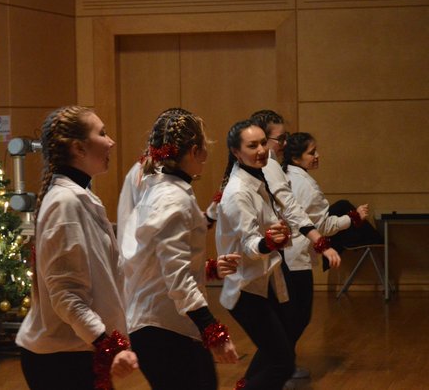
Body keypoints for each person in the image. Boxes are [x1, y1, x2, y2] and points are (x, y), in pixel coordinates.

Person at [15, 106, 138, 390]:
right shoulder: (65, 202)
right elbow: (66, 295)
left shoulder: (79, 195)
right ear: (79, 148)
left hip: (76, 351)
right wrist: (109, 346)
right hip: (61, 359)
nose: (111, 142)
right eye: (102, 133)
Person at [124, 109, 239, 390]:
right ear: (194, 151)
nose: (206, 157)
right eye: (204, 149)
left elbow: (157, 257)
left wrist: (207, 268)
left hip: (161, 324)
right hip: (161, 327)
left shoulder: (161, 187)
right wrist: (214, 331)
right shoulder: (171, 198)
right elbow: (175, 276)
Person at [249, 110, 340, 383]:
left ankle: (274, 370)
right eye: (281, 138)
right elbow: (292, 209)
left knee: (286, 321)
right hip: (266, 255)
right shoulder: (268, 166)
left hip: (272, 252)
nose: (285, 144)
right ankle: (273, 371)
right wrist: (320, 241)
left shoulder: (271, 166)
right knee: (284, 322)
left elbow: (289, 209)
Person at [216, 119, 294, 390]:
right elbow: (251, 244)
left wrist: (278, 236)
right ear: (236, 152)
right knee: (282, 363)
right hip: (246, 289)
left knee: (276, 357)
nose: (262, 150)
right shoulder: (238, 191)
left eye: (263, 143)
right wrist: (270, 242)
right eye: (252, 145)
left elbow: (264, 233)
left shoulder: (256, 179)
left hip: (262, 282)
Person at [282, 132, 382, 265]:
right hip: (298, 256)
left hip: (285, 252)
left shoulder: (284, 175)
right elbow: (322, 226)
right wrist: (354, 217)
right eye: (312, 153)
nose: (318, 155)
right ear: (295, 159)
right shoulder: (307, 186)